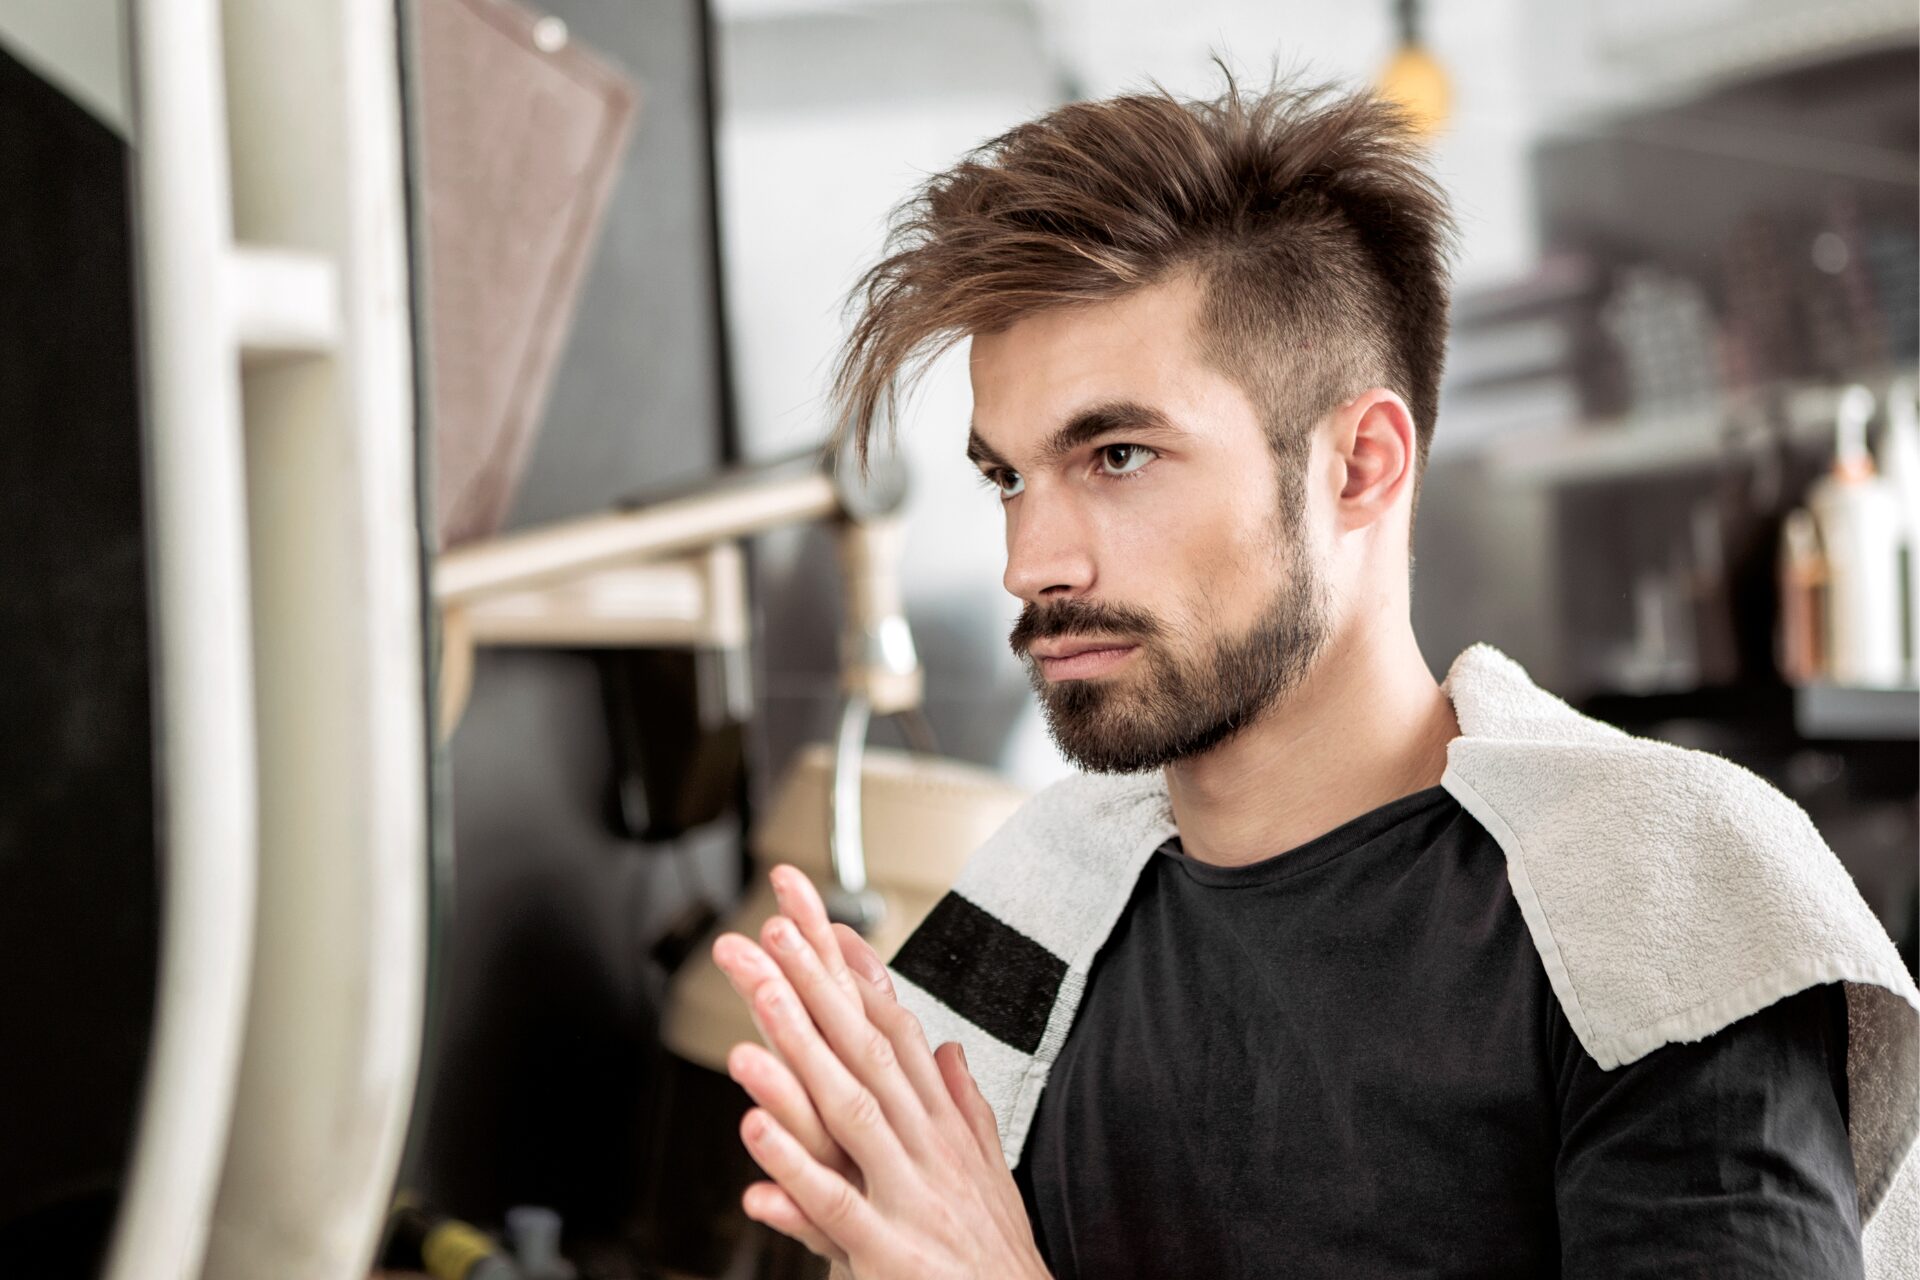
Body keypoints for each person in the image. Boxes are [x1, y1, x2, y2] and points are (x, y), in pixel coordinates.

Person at [707, 74, 1918, 1279]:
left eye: (1118, 454)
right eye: (1009, 477)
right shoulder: (1039, 901)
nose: (1032, 562)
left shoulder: (1663, 902)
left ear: (1360, 466)